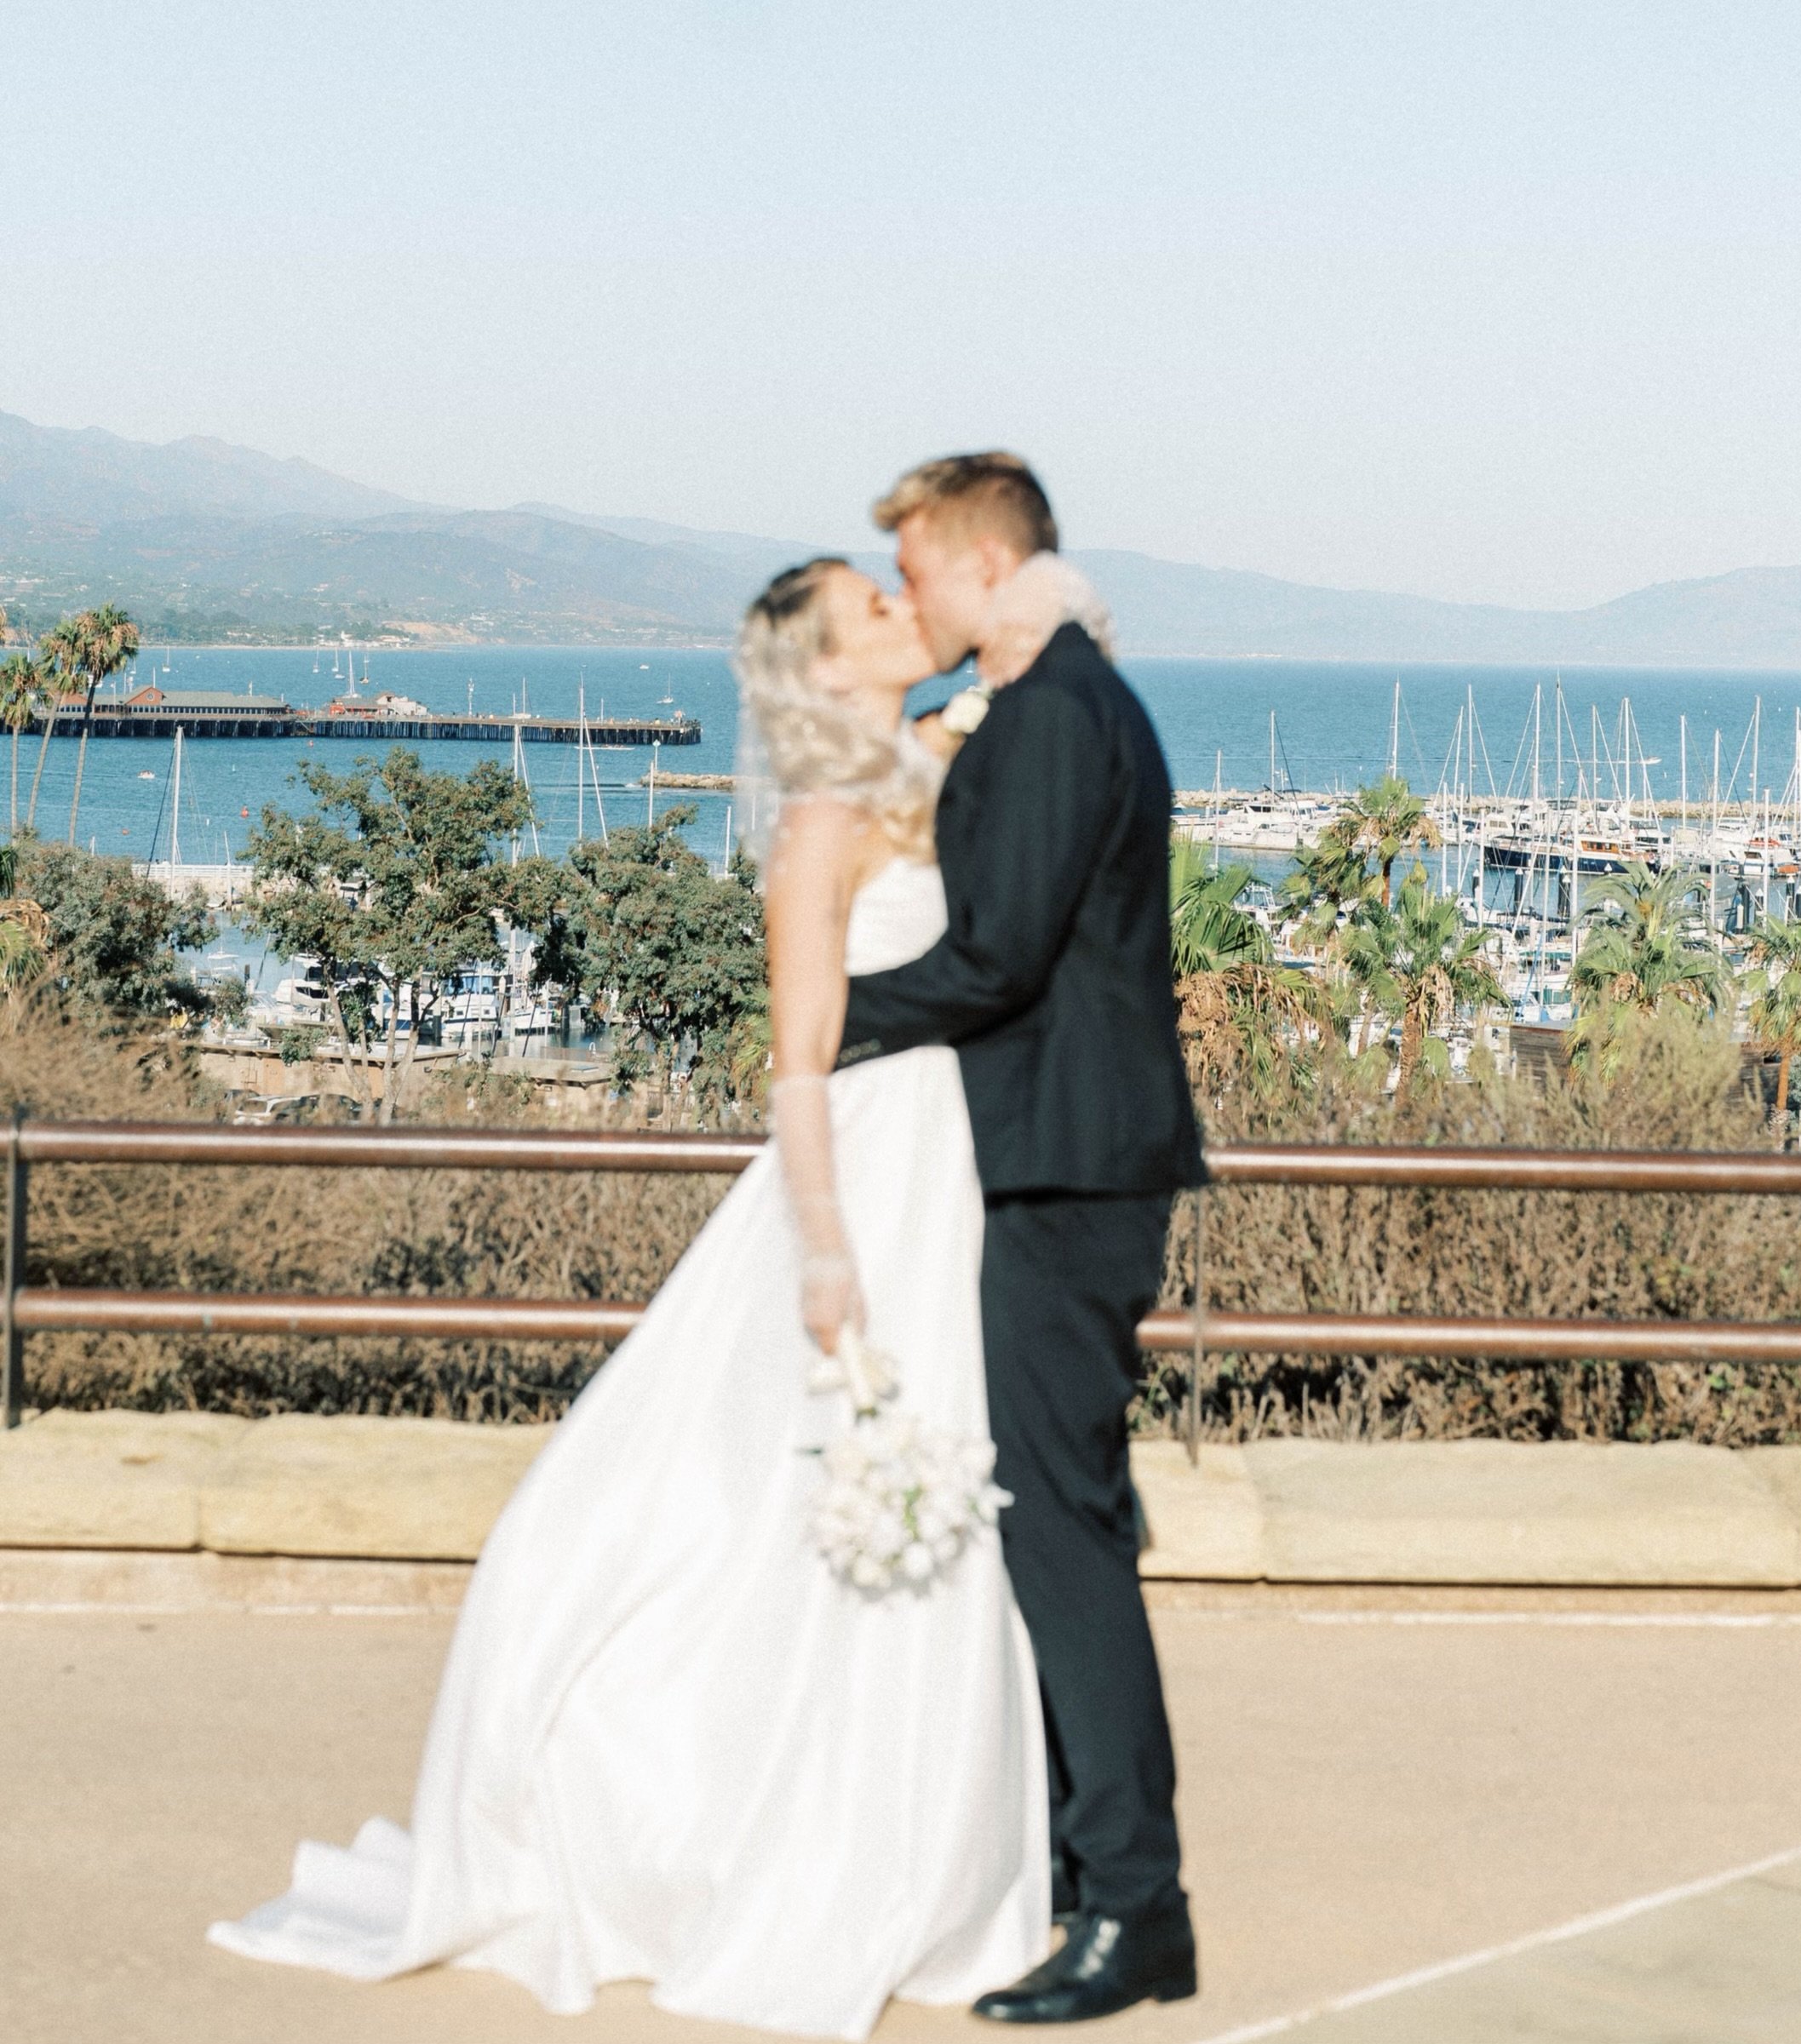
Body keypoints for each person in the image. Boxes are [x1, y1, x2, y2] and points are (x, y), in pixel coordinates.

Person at [210, 557, 1050, 2038]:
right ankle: (711, 1832)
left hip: (947, 1173)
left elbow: (1007, 717)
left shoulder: (918, 763)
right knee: (742, 1500)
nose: (898, 607)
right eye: (870, 603)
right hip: (858, 1179)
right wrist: (824, 1243)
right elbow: (801, 1054)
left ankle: (920, 1858)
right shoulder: (816, 820)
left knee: (909, 1499)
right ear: (825, 662)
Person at [840, 454, 1207, 2027]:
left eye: (917, 572)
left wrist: (828, 1018)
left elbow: (999, 956)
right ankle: (1081, 1870)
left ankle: (1132, 1908)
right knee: (1065, 1520)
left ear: (986, 566)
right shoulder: (1053, 695)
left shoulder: (1056, 712)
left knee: (1060, 1531)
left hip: (1065, 1168)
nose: (908, 601)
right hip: (1062, 1158)